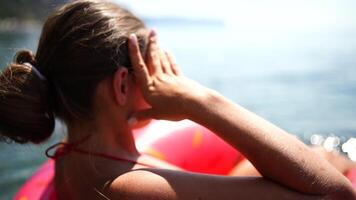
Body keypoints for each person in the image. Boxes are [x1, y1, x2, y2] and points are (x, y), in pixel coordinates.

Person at [0, 1, 355, 199]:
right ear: (123, 84)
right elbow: (336, 195)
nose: (165, 75)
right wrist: (196, 99)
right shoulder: (129, 188)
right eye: (154, 64)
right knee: (326, 162)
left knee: (321, 156)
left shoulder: (73, 155)